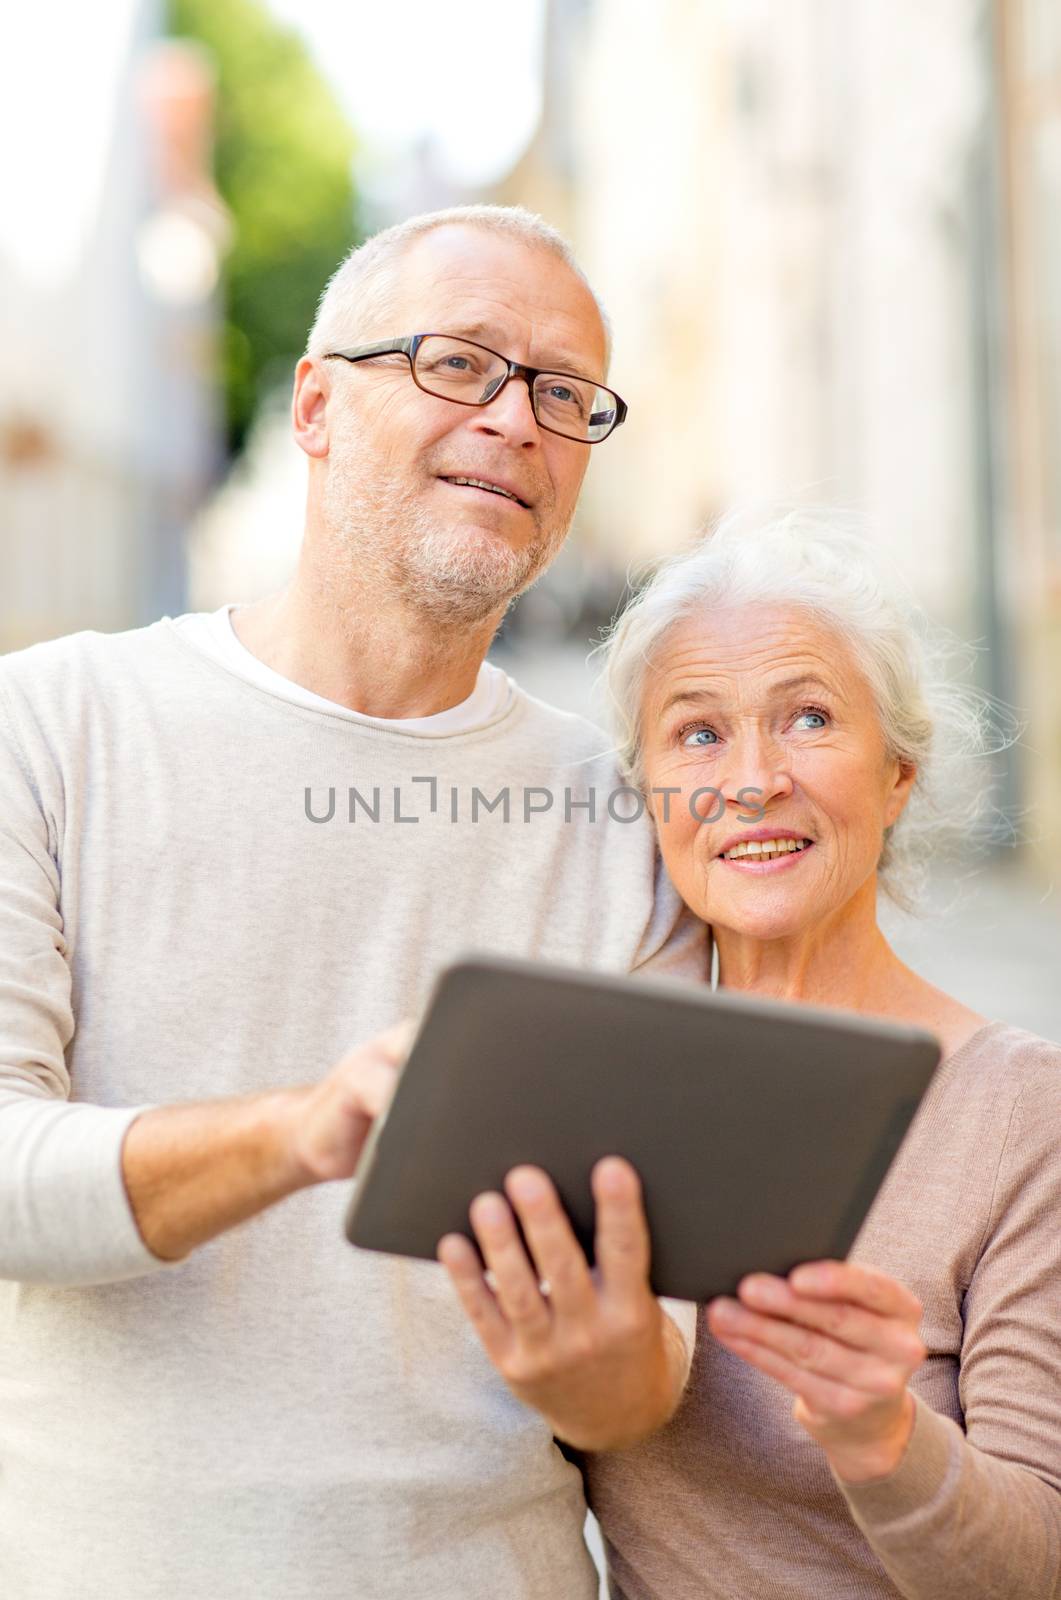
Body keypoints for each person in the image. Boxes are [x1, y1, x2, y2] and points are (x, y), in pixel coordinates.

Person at [0, 205, 705, 1600]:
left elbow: (643, 1384)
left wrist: (614, 1369)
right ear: (316, 406)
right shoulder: (53, 723)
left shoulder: (625, 821)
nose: (517, 419)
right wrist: (303, 1133)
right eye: (459, 363)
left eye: (565, 393)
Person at [583, 509, 1061, 1599]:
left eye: (806, 718)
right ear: (649, 794)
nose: (751, 779)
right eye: (697, 733)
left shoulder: (1018, 1114)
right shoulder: (608, 1087)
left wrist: (882, 1435)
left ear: (895, 773)